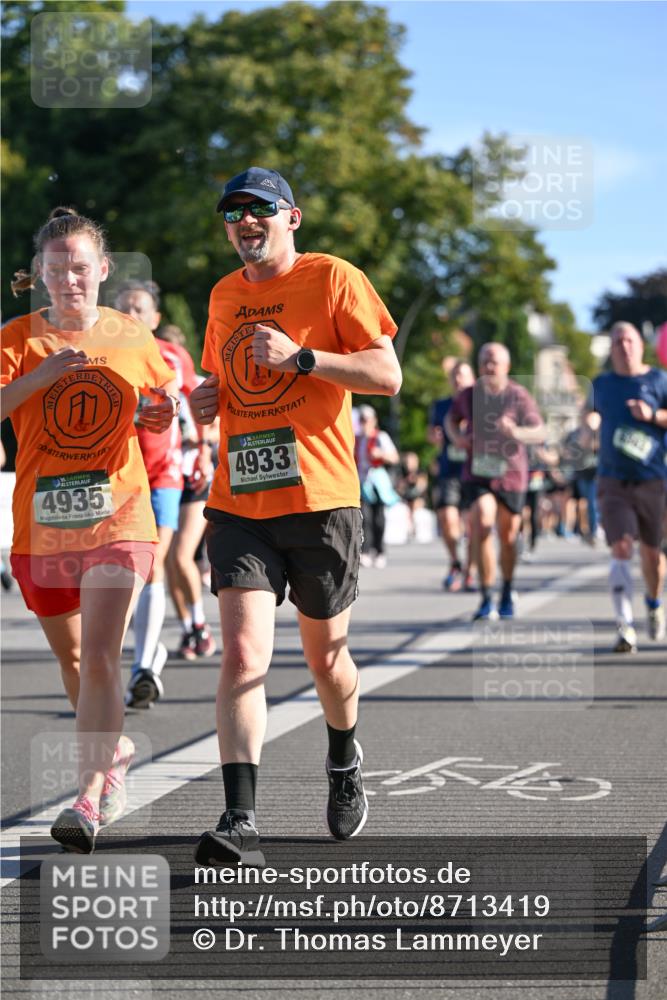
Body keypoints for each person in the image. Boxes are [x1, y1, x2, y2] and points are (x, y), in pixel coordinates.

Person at [188, 166, 401, 866]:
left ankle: (343, 756)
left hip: (320, 500)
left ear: (292, 218)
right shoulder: (222, 294)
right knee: (244, 654)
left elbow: (385, 375)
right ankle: (239, 817)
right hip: (240, 500)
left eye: (259, 210)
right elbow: (219, 382)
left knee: (325, 661)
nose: (244, 222)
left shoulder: (333, 278)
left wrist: (302, 357)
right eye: (233, 212)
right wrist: (202, 401)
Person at [0, 207, 178, 852]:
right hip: (43, 527)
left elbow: (160, 412)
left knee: (102, 657)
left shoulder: (133, 335)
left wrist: (160, 417)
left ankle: (87, 794)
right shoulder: (16, 338)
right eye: (56, 270)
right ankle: (116, 749)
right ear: (40, 275)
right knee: (74, 661)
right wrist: (41, 375)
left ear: (102, 270)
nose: (69, 280)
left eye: (80, 268)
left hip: (120, 514)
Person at [115, 282, 215, 706]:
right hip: (116, 476)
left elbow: (198, 404)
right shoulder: (101, 354)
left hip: (164, 476)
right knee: (125, 572)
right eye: (122, 310)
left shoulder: (172, 355)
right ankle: (149, 651)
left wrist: (205, 451)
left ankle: (143, 666)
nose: (131, 316)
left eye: (139, 309)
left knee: (154, 561)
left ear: (155, 319)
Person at [446, 342, 544, 620]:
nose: (488, 367)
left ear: (506, 367)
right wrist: (458, 438)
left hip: (511, 475)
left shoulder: (518, 395)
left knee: (508, 536)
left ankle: (507, 589)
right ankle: (487, 596)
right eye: (484, 362)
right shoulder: (468, 395)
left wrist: (515, 432)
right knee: (482, 522)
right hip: (478, 472)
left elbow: (538, 431)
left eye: (494, 362)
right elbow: (450, 419)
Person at [586, 321, 667, 652]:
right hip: (612, 478)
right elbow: (588, 415)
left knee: (652, 556)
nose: (624, 346)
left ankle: (653, 602)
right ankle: (625, 627)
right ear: (611, 348)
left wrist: (653, 416)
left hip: (652, 478)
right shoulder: (602, 384)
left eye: (630, 340)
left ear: (641, 345)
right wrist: (586, 425)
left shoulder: (659, 379)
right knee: (620, 547)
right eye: (618, 341)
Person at [428, 360, 476, 591]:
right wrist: (434, 436)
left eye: (463, 375)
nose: (458, 380)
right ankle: (456, 562)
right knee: (448, 519)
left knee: (472, 524)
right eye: (455, 376)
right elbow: (431, 433)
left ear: (472, 379)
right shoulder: (441, 406)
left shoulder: (480, 404)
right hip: (449, 470)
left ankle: (471, 570)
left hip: (474, 471)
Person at [355, 404, 400, 568]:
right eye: (361, 419)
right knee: (364, 517)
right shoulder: (356, 438)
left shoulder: (381, 437)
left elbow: (394, 457)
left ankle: (380, 551)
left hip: (377, 481)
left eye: (366, 419)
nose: (364, 423)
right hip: (361, 481)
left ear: (373, 420)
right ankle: (366, 551)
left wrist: (380, 454)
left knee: (379, 518)